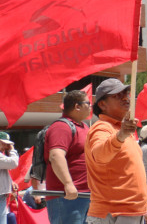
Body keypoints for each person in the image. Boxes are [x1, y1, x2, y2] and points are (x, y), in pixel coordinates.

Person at [85, 78, 147, 224]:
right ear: (102, 104)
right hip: (114, 213)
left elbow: (131, 172)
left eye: (126, 93)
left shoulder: (122, 130)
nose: (125, 98)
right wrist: (121, 135)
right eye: (117, 95)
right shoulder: (102, 127)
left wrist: (146, 205)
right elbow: (99, 155)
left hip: (126, 212)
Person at [44, 89, 92, 224]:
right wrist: (68, 184)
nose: (91, 107)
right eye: (88, 104)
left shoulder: (84, 127)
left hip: (83, 195)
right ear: (77, 106)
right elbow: (56, 156)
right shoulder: (61, 126)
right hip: (67, 196)